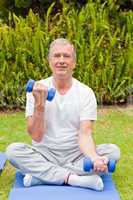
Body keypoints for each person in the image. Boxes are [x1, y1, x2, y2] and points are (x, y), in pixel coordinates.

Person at [6, 38, 120, 191]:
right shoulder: (36, 90)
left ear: (74, 62)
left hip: (76, 154)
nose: (61, 60)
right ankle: (73, 179)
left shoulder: (86, 93)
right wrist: (40, 106)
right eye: (56, 55)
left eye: (66, 56)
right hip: (44, 153)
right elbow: (36, 136)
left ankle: (43, 176)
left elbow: (85, 134)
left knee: (112, 152)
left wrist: (93, 158)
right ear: (49, 61)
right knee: (13, 151)